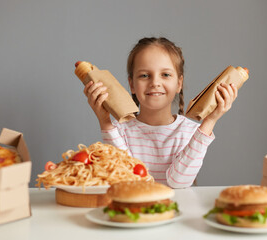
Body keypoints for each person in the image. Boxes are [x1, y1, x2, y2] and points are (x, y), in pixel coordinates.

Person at [84, 37, 238, 188]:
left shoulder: (192, 132)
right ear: (132, 84)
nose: (155, 82)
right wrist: (104, 121)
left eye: (165, 75)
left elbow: (178, 181)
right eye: (144, 75)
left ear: (179, 84)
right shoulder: (118, 130)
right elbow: (128, 180)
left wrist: (210, 121)